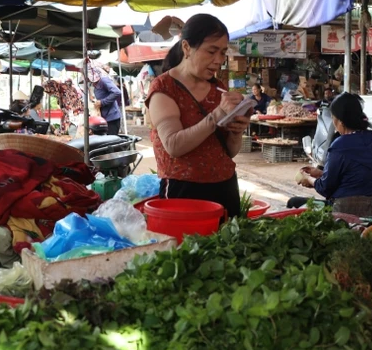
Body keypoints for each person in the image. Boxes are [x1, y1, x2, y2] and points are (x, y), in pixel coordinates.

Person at [146, 14, 252, 218]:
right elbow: (173, 145)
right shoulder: (164, 88)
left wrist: (236, 133)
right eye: (212, 51)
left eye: (222, 53)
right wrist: (218, 114)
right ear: (186, 48)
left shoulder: (218, 88)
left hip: (225, 185)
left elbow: (229, 152)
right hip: (184, 190)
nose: (218, 61)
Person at [287, 93, 372, 216]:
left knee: (293, 202)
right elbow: (356, 175)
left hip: (351, 213)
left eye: (333, 117)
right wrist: (320, 173)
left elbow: (325, 188)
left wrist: (309, 179)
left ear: (340, 121)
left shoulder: (340, 145)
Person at [89, 65, 123, 136]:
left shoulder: (104, 80)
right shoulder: (95, 86)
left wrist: (102, 102)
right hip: (104, 118)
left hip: (112, 118)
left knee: (111, 142)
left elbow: (117, 92)